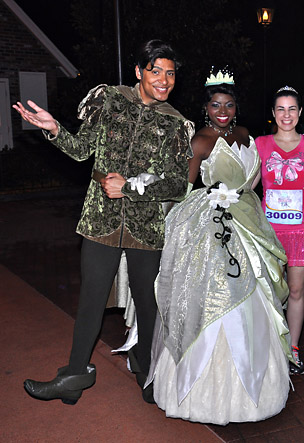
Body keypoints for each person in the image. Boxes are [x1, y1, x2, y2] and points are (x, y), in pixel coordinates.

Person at [13, 39, 193, 405]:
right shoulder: (109, 99)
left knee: (147, 303)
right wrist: (54, 129)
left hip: (146, 227)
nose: (163, 80)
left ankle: (147, 368)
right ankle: (75, 376)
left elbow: (178, 184)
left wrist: (132, 188)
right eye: (155, 71)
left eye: (170, 73)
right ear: (139, 71)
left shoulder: (176, 124)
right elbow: (81, 151)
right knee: (91, 300)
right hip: (100, 220)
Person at [145, 70, 291, 425]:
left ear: (236, 107)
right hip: (214, 226)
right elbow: (186, 185)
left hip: (249, 221)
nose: (221, 111)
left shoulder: (245, 135)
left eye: (228, 104)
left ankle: (255, 390)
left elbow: (252, 181)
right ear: (206, 107)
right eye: (215, 105)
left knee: (255, 295)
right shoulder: (201, 141)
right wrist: (148, 189)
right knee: (218, 295)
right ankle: (200, 392)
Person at [254, 86, 304, 375]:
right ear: (273, 113)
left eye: (291, 108)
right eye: (280, 109)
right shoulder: (261, 144)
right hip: (270, 232)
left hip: (302, 231)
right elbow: (250, 183)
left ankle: (292, 349)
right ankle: (269, 346)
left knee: (295, 291)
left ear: (300, 112)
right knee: (269, 291)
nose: (286, 115)